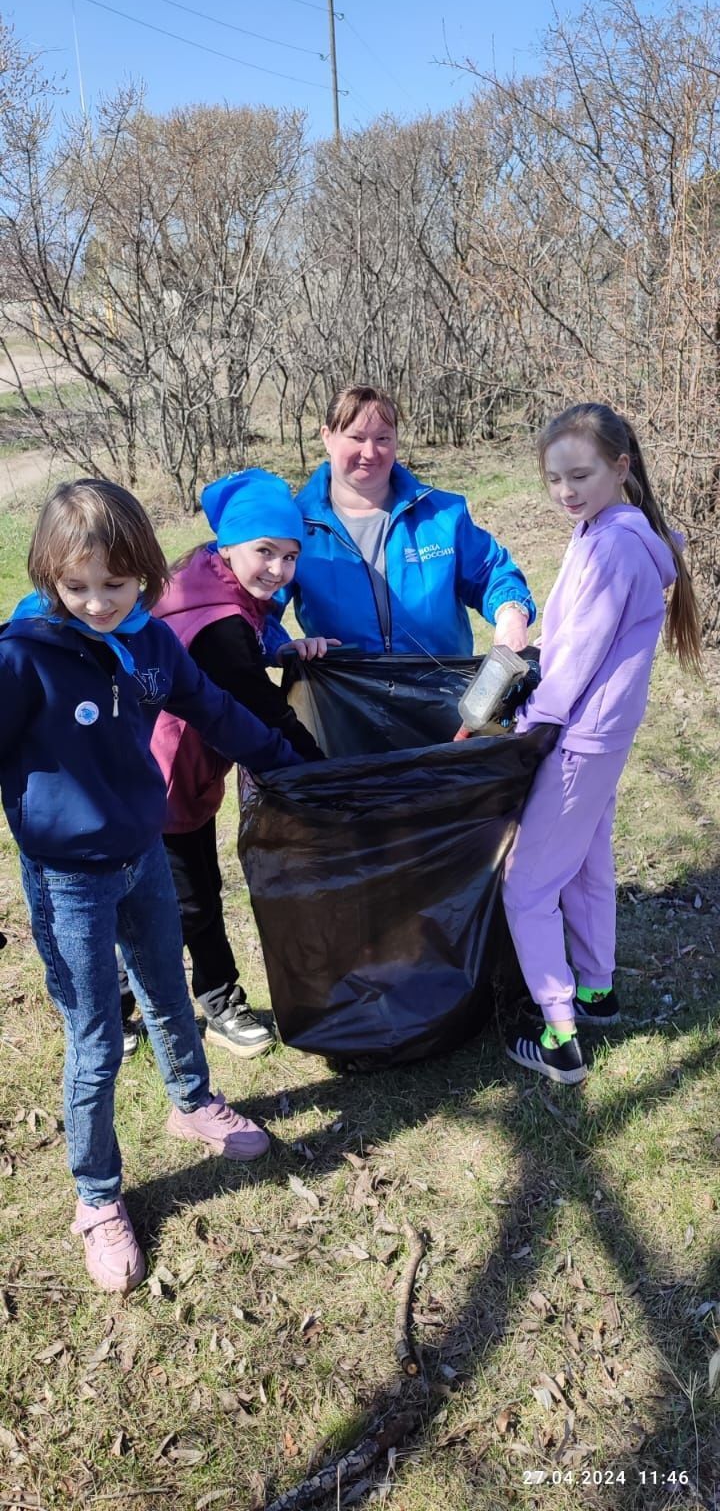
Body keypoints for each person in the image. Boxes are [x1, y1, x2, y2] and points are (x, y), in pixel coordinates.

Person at [0, 479, 305, 1293]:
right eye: (77, 587)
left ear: (146, 575)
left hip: (145, 852)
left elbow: (217, 711)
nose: (99, 604)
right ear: (49, 578)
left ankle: (193, 1102)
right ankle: (97, 1196)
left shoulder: (152, 643)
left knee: (169, 990)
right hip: (69, 880)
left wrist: (290, 766)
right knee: (97, 1037)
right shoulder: (22, 656)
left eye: (117, 584)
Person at [502, 403, 702, 1085]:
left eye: (580, 475)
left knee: (527, 884)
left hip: (580, 734)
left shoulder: (615, 545)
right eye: (555, 479)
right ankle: (596, 990)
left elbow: (581, 652)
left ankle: (559, 1037)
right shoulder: (602, 529)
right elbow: (573, 633)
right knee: (587, 858)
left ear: (621, 467)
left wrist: (531, 721)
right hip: (600, 731)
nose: (566, 491)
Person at [133, 468, 333, 1059]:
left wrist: (278, 646)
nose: (278, 569)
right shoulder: (216, 620)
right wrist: (323, 776)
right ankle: (216, 1001)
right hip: (165, 779)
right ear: (229, 546)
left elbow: (249, 631)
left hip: (165, 772)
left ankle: (130, 1002)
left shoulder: (204, 577)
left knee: (162, 891)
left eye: (290, 556)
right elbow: (260, 709)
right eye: (264, 551)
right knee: (189, 896)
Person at [283, 385, 535, 662]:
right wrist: (283, 645)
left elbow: (490, 573)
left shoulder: (443, 515)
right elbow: (258, 608)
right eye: (357, 437)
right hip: (340, 687)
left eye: (382, 438)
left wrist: (511, 612)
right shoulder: (293, 525)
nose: (370, 452)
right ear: (327, 437)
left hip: (445, 684)